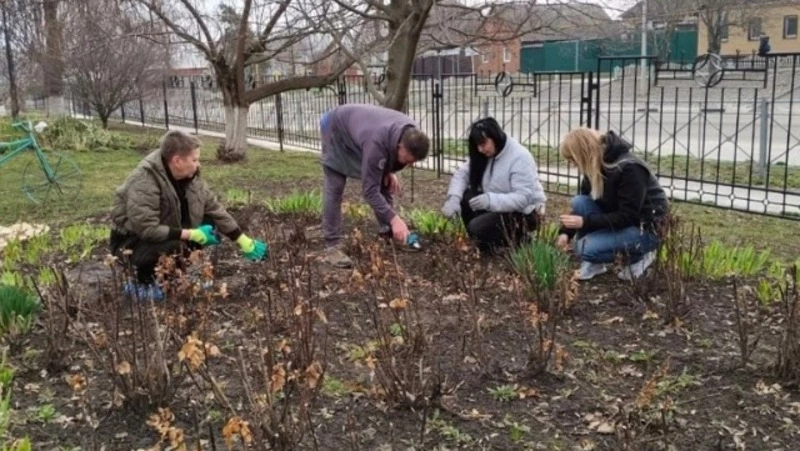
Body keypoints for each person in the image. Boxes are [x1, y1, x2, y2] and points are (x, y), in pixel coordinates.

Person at [110, 130, 267, 299]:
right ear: (177, 161)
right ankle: (144, 284)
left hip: (164, 232)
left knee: (208, 222)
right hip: (131, 243)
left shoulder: (191, 178)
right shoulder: (144, 181)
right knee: (173, 246)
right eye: (195, 160)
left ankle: (174, 277)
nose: (198, 165)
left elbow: (214, 208)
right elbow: (147, 229)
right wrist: (192, 234)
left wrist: (242, 240)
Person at [319, 103, 430, 268]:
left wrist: (388, 170)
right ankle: (332, 246)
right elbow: (369, 190)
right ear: (401, 146)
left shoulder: (410, 132)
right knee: (335, 187)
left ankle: (388, 232)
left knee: (384, 180)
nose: (409, 165)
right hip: (335, 127)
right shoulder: (377, 141)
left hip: (359, 129)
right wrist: (395, 219)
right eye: (408, 160)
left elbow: (386, 156)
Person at [556, 127, 669, 281]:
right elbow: (582, 206)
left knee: (584, 248)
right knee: (579, 201)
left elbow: (628, 215)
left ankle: (640, 255)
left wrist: (584, 222)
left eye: (573, 161)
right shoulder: (594, 167)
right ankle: (596, 264)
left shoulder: (630, 168)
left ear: (583, 155)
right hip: (621, 221)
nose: (573, 166)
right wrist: (565, 233)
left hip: (645, 228)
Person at [440, 117, 546, 254]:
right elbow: (462, 174)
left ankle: (522, 241)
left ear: (495, 137)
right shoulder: (485, 154)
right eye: (477, 145)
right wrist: (453, 198)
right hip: (499, 205)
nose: (480, 149)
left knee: (476, 228)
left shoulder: (520, 157)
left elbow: (523, 198)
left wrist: (490, 200)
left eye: (483, 144)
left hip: (526, 213)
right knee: (465, 198)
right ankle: (485, 245)